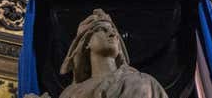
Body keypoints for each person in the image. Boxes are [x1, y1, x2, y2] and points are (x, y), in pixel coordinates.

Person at [26, 9, 169, 98]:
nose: (112, 34)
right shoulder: (71, 93)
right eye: (103, 29)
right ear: (85, 43)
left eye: (113, 32)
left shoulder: (145, 82)